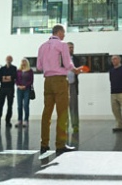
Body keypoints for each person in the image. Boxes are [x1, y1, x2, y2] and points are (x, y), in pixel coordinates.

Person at [37, 24, 77, 155]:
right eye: (63, 33)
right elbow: (67, 63)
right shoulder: (62, 45)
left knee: (46, 113)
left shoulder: (42, 46)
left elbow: (38, 67)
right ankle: (60, 145)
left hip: (47, 81)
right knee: (62, 113)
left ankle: (44, 144)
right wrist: (74, 69)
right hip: (60, 80)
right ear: (59, 33)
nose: (64, 35)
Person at [0, 55, 16, 128]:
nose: (8, 60)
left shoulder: (14, 68)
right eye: (7, 59)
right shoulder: (2, 68)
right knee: (0, 105)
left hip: (10, 89)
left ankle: (8, 121)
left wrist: (5, 78)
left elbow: (13, 77)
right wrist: (8, 78)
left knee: (9, 106)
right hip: (2, 89)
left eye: (10, 59)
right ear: (5, 60)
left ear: (11, 60)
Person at [15, 58, 34, 128]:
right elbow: (16, 80)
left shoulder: (30, 71)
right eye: (22, 61)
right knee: (19, 105)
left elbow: (31, 81)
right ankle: (19, 120)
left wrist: (25, 86)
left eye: (24, 62)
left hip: (27, 89)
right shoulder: (18, 71)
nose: (23, 63)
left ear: (27, 63)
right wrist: (18, 86)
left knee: (26, 105)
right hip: (19, 89)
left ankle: (26, 120)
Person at [67, 42, 81, 132]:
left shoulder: (76, 59)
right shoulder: (60, 59)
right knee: (63, 107)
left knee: (74, 106)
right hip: (63, 86)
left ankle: (75, 125)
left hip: (73, 85)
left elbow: (79, 69)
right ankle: (65, 125)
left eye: (72, 47)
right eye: (69, 47)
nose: (71, 49)